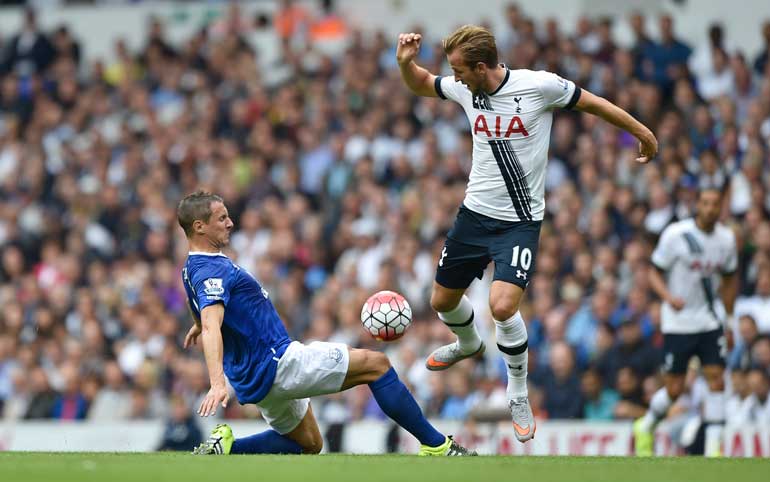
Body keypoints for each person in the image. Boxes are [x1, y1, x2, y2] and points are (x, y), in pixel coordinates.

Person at [395, 25, 657, 442]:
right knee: (441, 301)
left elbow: (594, 104)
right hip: (473, 216)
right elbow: (423, 84)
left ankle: (517, 391)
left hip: (519, 222)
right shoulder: (466, 88)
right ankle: (468, 345)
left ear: (482, 66)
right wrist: (406, 64)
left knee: (502, 306)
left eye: (460, 69)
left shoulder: (539, 86)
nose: (455, 76)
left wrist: (641, 131)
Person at [177, 191, 475, 456]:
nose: (230, 223)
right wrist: (216, 382)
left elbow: (204, 310)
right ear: (199, 226)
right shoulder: (211, 271)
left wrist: (198, 324)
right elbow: (213, 323)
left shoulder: (192, 267)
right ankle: (437, 445)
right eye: (221, 218)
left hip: (253, 378)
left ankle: (228, 448)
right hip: (278, 362)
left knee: (309, 444)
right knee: (377, 365)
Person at [634, 187, 738, 457]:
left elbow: (729, 279)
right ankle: (645, 426)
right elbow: (654, 272)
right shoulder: (676, 235)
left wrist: (729, 321)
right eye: (705, 203)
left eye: (716, 204)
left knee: (716, 379)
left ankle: (714, 452)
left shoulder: (727, 239)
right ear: (698, 205)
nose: (710, 208)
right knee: (675, 389)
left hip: (709, 320)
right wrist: (668, 297)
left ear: (721, 208)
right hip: (679, 322)